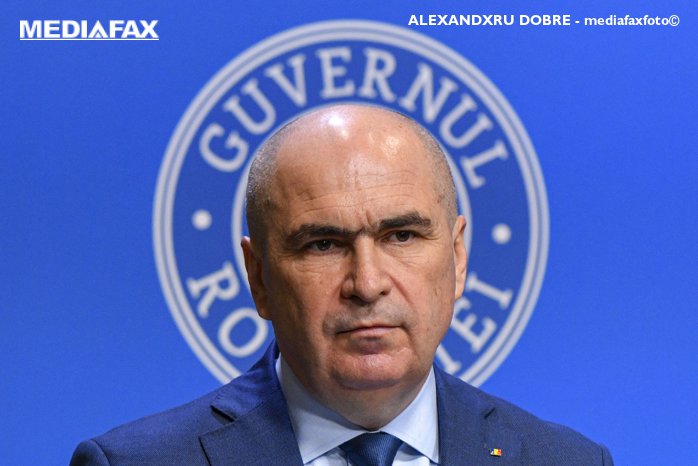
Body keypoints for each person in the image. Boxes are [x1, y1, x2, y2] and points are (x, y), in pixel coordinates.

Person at [71, 104, 613, 465]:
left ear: (456, 257)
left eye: (401, 236)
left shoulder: (567, 461)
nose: (367, 284)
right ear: (259, 278)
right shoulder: (134, 462)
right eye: (322, 245)